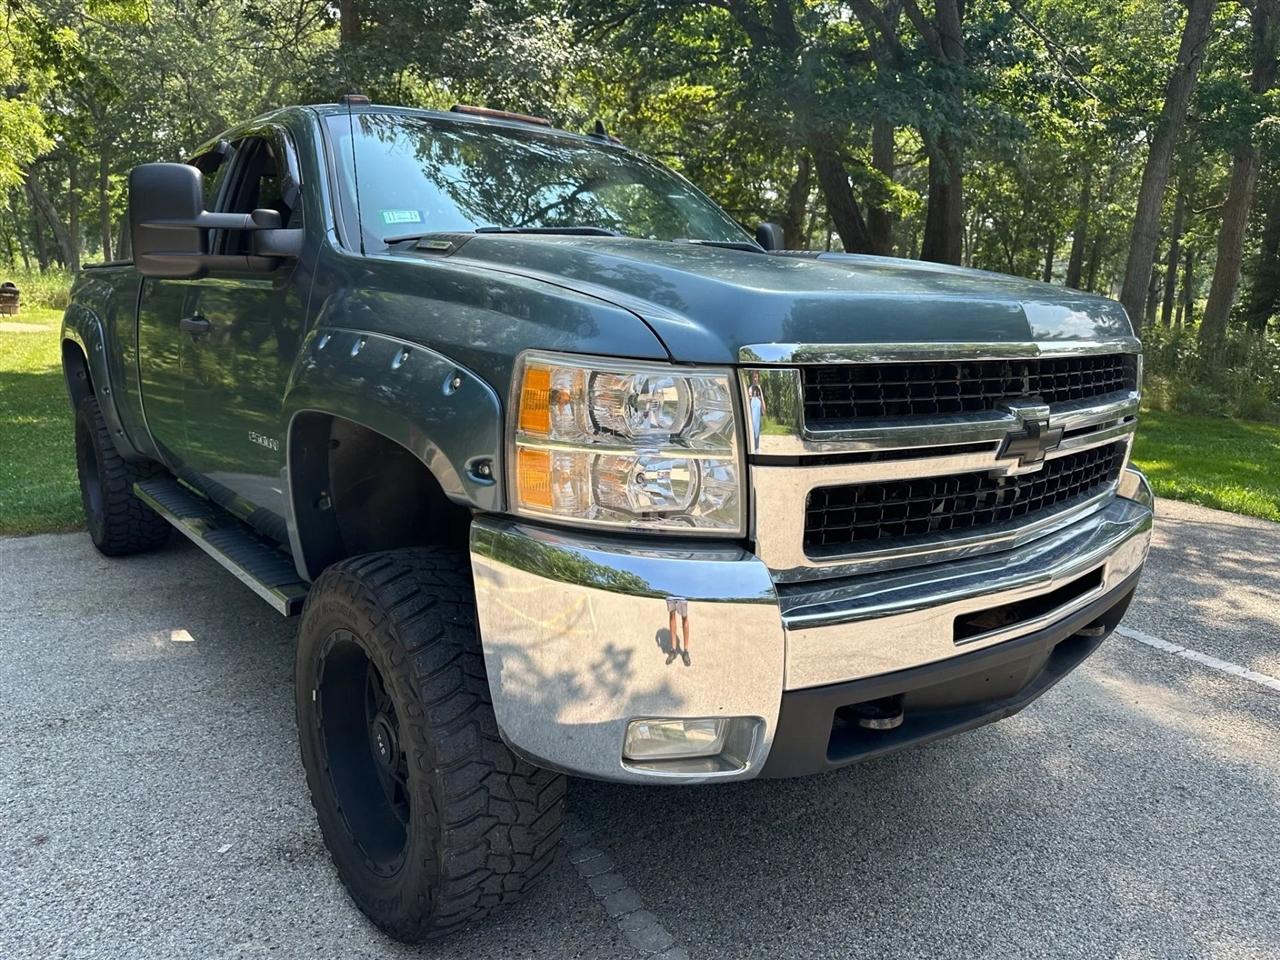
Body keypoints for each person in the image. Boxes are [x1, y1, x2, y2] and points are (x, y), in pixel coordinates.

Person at [665, 596, 691, 666]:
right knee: (672, 615)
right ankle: (673, 650)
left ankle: (685, 651)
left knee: (685, 617)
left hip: (683, 596)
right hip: (670, 596)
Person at [746, 371, 766, 452]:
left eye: (756, 377)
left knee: (757, 432)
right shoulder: (749, 388)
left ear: (758, 378)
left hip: (757, 414)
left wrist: (760, 391)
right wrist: (749, 396)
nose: (754, 379)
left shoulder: (759, 390)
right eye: (753, 377)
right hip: (751, 414)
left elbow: (763, 406)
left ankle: (756, 449)